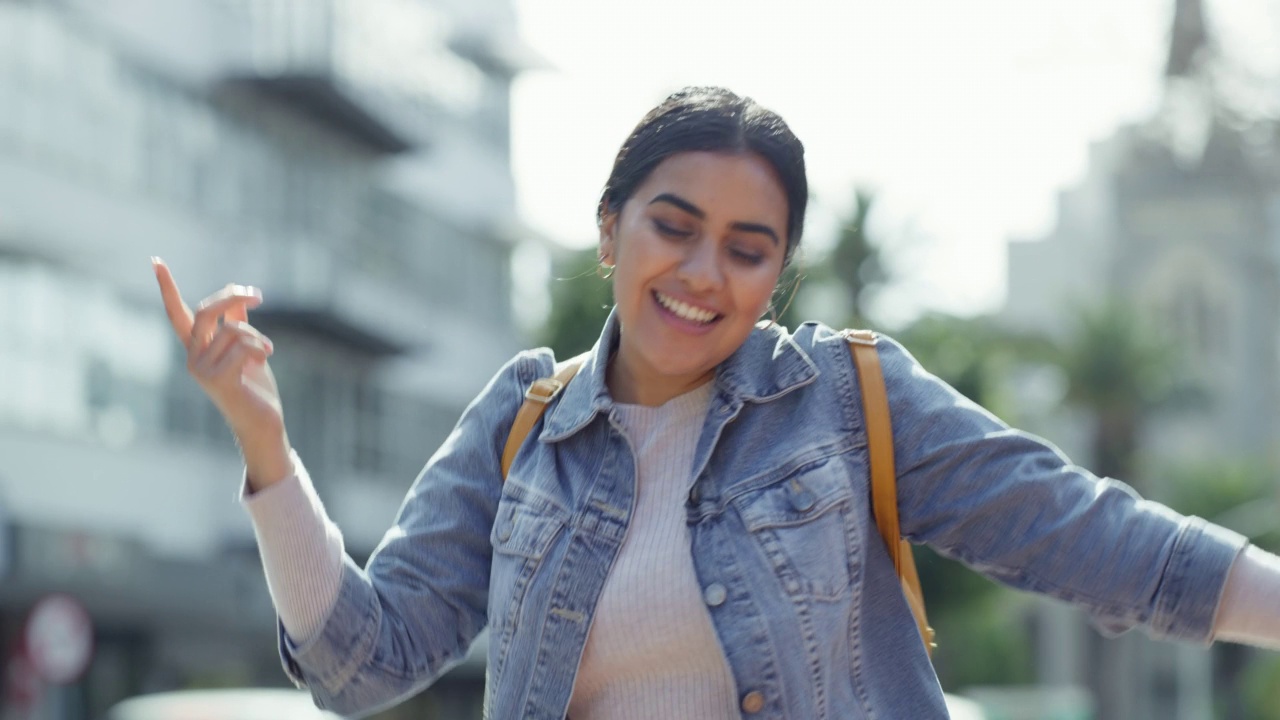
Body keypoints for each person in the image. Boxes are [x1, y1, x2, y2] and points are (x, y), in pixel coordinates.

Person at [154, 86, 1280, 719]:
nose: (702, 274)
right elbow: (362, 664)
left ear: (776, 274)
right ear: (610, 230)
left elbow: (1096, 542)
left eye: (747, 250)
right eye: (671, 225)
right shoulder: (521, 428)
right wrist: (264, 442)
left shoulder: (846, 399)